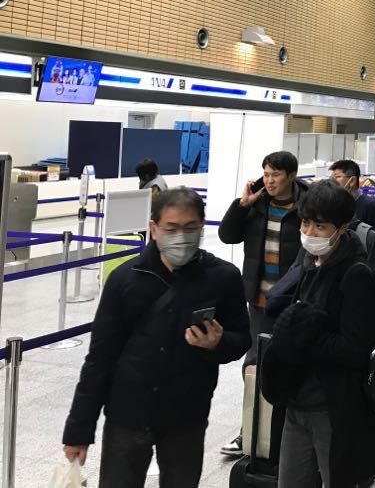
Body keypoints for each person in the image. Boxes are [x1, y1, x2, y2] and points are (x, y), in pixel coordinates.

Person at [62, 188, 250, 487]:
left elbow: (241, 339)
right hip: (127, 414)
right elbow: (99, 358)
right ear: (153, 228)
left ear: (202, 226)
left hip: (186, 416)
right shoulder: (125, 278)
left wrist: (218, 344)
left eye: (190, 228)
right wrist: (78, 431)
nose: (181, 237)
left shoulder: (222, 277)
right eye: (171, 229)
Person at [264, 180, 375, 488]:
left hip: (331, 408)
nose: (309, 233)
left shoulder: (356, 275)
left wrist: (307, 336)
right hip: (296, 401)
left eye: (320, 226)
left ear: (342, 228)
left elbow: (355, 348)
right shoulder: (308, 263)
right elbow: (286, 310)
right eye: (306, 223)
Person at [218, 150, 307, 456]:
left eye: (276, 175)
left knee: (292, 364)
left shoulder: (307, 205)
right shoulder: (256, 205)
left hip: (295, 304)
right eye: (266, 174)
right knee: (254, 365)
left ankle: (288, 433)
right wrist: (240, 206)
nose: (269, 181)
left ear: (291, 176)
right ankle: (251, 431)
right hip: (258, 301)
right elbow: (227, 236)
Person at [329, 159, 375, 251]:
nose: (332, 182)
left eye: (337, 177)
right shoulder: (336, 206)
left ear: (352, 181)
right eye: (331, 178)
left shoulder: (371, 207)